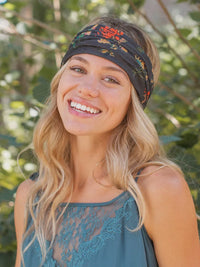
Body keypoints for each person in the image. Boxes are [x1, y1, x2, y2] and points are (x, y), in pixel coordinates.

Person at [14, 16, 200, 267]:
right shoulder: (31, 196)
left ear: (132, 102)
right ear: (60, 81)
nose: (87, 88)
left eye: (111, 79)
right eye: (78, 69)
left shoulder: (157, 189)